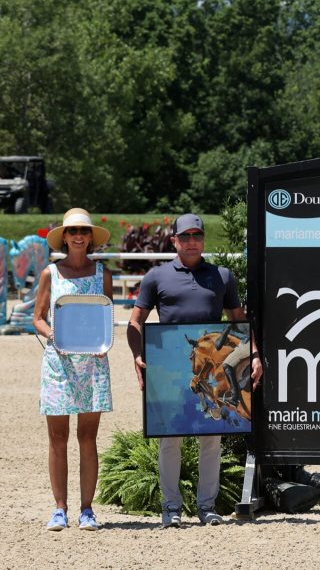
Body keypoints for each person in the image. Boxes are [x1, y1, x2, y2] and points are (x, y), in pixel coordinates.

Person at [126, 213, 263, 528]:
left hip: (210, 366)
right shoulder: (156, 277)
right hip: (170, 367)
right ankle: (171, 508)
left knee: (211, 438)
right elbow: (136, 322)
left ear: (203, 240)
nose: (191, 242)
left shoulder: (223, 276)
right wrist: (137, 354)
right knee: (170, 439)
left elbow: (238, 321)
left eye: (196, 236)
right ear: (174, 240)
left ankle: (207, 507)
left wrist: (255, 352)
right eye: (184, 237)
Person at [33, 208, 114, 532]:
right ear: (64, 237)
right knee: (57, 437)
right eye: (72, 231)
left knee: (87, 437)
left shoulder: (102, 273)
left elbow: (105, 317)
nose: (78, 235)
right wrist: (53, 334)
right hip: (59, 363)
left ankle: (87, 509)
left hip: (93, 362)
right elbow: (38, 317)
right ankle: (59, 509)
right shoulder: (50, 274)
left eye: (83, 230)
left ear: (90, 237)